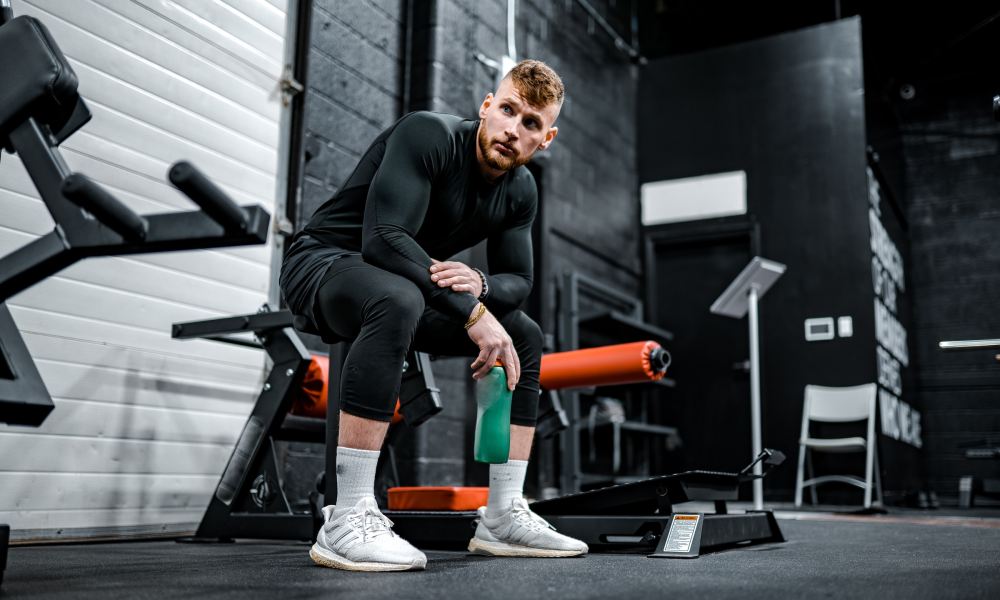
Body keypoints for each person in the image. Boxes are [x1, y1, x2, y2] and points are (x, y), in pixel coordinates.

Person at [280, 59, 587, 572]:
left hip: (411, 285)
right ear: (487, 107)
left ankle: (504, 513)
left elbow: (520, 282)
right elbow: (382, 240)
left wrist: (481, 285)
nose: (514, 129)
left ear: (546, 138)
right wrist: (472, 312)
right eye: (508, 110)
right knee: (396, 298)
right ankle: (347, 517)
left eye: (531, 123)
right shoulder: (429, 135)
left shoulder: (521, 190)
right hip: (326, 263)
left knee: (524, 334)